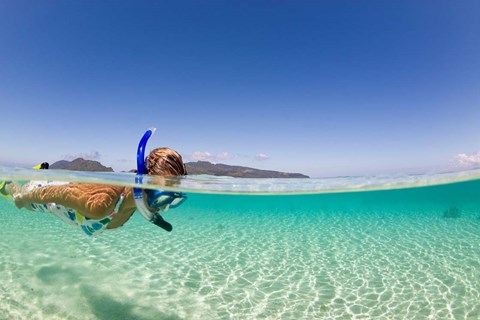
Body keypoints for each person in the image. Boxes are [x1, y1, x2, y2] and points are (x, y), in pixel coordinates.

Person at [0, 129, 188, 236]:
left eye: (173, 200)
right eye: (163, 199)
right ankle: (9, 185)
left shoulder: (136, 200)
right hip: (43, 196)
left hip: (64, 196)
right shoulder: (102, 204)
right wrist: (23, 198)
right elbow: (52, 194)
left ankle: (37, 176)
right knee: (17, 197)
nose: (164, 208)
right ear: (144, 185)